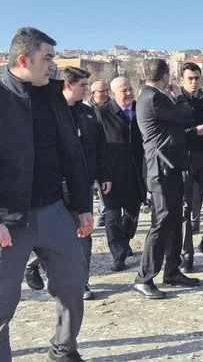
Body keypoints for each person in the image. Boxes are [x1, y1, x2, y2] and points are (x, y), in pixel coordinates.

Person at [0, 27, 93, 362]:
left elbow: (72, 152)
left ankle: (63, 348)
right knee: (2, 303)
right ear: (24, 60)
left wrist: (83, 205)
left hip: (54, 211)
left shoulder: (52, 95)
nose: (54, 65)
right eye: (47, 58)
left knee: (72, 283)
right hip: (10, 221)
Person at [25, 67, 110, 301]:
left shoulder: (88, 113)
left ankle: (80, 282)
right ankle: (33, 264)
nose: (86, 89)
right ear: (68, 85)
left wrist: (104, 175)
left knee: (84, 232)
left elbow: (100, 147)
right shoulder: (49, 112)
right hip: (52, 184)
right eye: (82, 85)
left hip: (81, 183)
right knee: (51, 235)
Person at [134, 59, 199, 299]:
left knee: (173, 220)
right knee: (161, 223)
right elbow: (186, 116)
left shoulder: (150, 96)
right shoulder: (154, 98)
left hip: (170, 168)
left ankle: (171, 270)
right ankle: (144, 277)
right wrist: (179, 95)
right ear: (164, 77)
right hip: (161, 169)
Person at [95, 77, 146, 272]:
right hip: (112, 174)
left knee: (133, 213)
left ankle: (124, 240)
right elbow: (98, 146)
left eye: (130, 89)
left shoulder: (140, 109)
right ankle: (118, 255)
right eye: (123, 90)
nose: (128, 93)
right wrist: (101, 174)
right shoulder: (102, 113)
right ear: (113, 93)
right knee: (113, 215)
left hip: (136, 172)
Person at [177, 62, 203, 272]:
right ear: (182, 80)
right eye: (190, 79)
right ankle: (187, 254)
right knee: (185, 209)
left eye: (197, 78)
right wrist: (194, 131)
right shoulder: (176, 102)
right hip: (185, 161)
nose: (194, 82)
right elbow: (172, 135)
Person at [87, 79, 111, 226]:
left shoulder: (112, 107)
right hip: (90, 151)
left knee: (104, 186)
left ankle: (103, 214)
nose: (105, 93)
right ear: (93, 93)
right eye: (101, 91)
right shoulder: (84, 107)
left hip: (107, 151)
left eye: (106, 90)